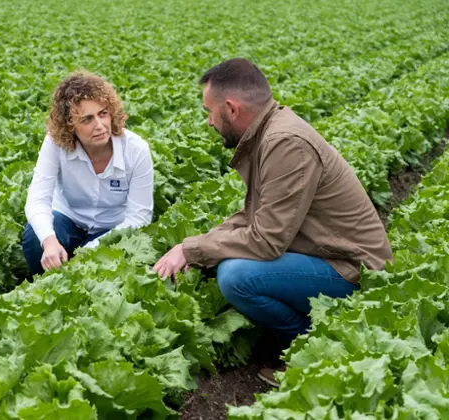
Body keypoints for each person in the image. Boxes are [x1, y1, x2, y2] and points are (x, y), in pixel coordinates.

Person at [153, 58, 393, 387]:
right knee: (226, 258)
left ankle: (313, 348)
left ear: (232, 108)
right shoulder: (272, 131)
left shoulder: (285, 143)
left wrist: (193, 250)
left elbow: (266, 240)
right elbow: (253, 216)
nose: (209, 121)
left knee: (237, 276)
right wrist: (195, 246)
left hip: (352, 269)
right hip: (324, 254)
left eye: (210, 111)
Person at [23, 71, 154, 276]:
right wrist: (49, 241)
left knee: (109, 266)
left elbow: (140, 216)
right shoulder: (56, 143)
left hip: (113, 227)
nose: (100, 125)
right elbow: (37, 199)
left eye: (103, 113)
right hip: (68, 219)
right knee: (34, 238)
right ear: (70, 125)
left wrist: (91, 249)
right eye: (87, 119)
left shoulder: (136, 149)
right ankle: (44, 288)